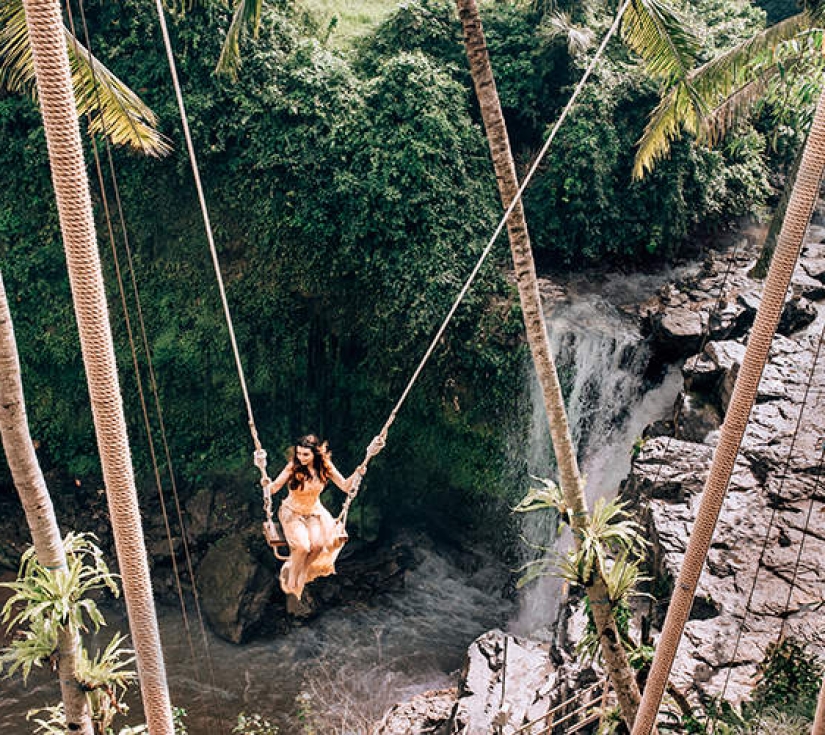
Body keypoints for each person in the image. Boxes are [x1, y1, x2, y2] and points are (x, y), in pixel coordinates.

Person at [263, 434, 364, 599]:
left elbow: (346, 486)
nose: (301, 458)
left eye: (305, 454)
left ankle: (302, 571)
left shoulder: (325, 467)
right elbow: (274, 488)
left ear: (315, 454)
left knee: (318, 545)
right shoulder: (292, 467)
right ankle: (293, 578)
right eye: (299, 453)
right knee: (303, 547)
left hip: (314, 512)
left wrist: (357, 473)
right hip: (292, 512)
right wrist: (266, 483)